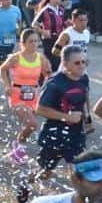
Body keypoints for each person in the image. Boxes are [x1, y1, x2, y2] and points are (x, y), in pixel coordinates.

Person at [33, 45, 90, 181]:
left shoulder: (84, 78)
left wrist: (88, 119)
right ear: (65, 64)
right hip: (54, 134)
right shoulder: (55, 83)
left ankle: (81, 198)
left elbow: (84, 96)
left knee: (78, 170)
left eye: (84, 62)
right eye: (77, 63)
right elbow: (39, 108)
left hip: (76, 134)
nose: (82, 66)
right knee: (44, 172)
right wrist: (67, 117)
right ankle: (26, 186)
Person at [0, 29, 53, 165]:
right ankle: (17, 148)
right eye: (31, 41)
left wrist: (45, 84)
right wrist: (7, 85)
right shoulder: (16, 57)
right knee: (32, 124)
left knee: (29, 125)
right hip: (17, 95)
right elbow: (2, 69)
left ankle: (17, 149)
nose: (34, 44)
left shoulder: (40, 58)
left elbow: (48, 74)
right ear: (23, 43)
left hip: (33, 95)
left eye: (36, 41)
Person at [32, 0, 66, 72]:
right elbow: (34, 24)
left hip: (59, 40)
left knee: (59, 64)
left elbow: (64, 22)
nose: (58, 0)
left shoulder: (61, 9)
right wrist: (43, 31)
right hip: (49, 41)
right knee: (50, 64)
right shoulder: (45, 10)